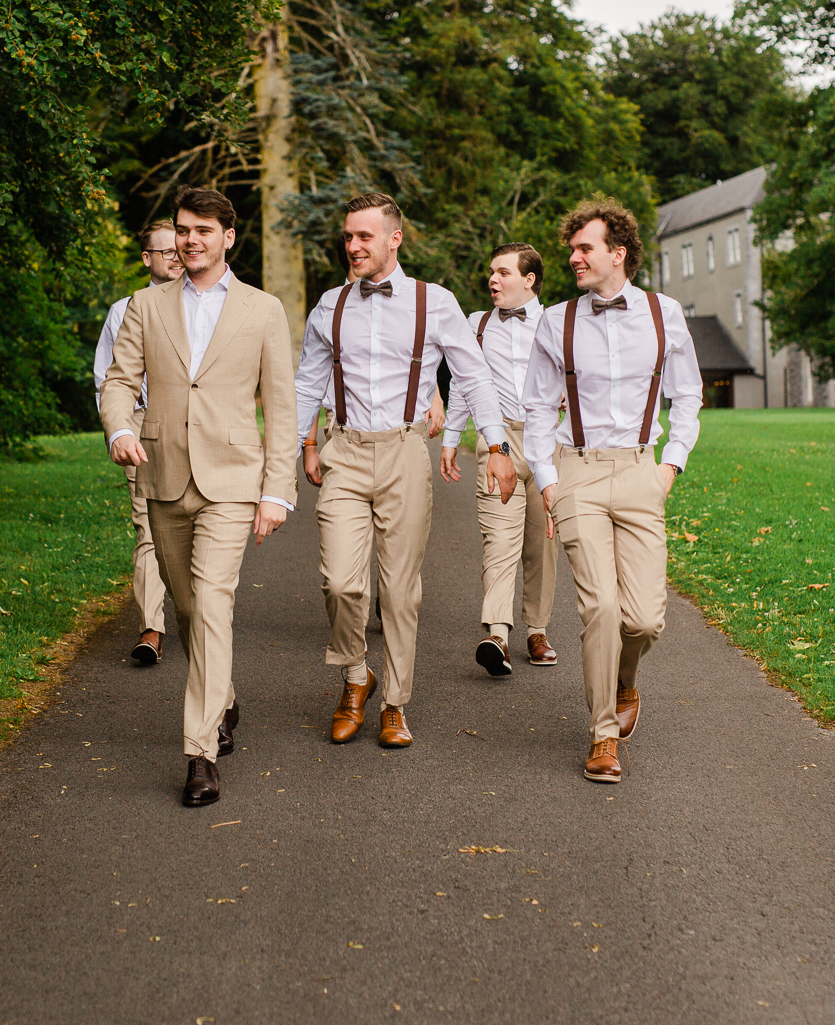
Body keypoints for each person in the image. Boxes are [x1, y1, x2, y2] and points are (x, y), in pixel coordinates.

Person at [99, 186, 297, 807]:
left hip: (234, 481)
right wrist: (122, 429)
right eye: (183, 230)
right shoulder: (144, 305)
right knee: (186, 611)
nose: (190, 240)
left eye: (203, 231)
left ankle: (199, 753)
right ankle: (226, 697)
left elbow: (283, 409)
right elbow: (119, 380)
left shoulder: (263, 311)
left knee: (212, 601)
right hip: (162, 475)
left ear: (228, 238)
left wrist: (277, 492)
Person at [295, 192, 513, 749]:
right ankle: (354, 675)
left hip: (406, 451)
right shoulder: (329, 305)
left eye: (364, 236)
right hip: (343, 449)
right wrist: (300, 445)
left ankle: (394, 701)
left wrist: (496, 444)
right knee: (342, 583)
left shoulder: (433, 303)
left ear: (395, 238)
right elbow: (306, 384)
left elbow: (474, 376)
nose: (353, 245)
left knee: (399, 591)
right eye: (348, 236)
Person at [524, 199, 701, 784]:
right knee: (598, 606)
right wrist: (548, 482)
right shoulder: (555, 321)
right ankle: (603, 735)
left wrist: (669, 467)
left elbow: (688, 396)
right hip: (576, 472)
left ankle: (627, 683)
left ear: (617, 253)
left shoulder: (664, 313)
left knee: (645, 619)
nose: (573, 258)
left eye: (585, 249)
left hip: (641, 471)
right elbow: (536, 408)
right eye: (572, 249)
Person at [440, 243, 559, 676]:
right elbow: (463, 383)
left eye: (504, 273)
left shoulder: (557, 323)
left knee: (541, 545)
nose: (493, 279)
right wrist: (452, 438)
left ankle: (537, 629)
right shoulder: (476, 325)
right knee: (499, 540)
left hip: (549, 441)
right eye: (491, 272)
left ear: (529, 280)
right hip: (499, 442)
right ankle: (497, 634)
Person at [92, 219, 181, 665]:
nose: (175, 256)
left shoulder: (206, 306)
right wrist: (118, 431)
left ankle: (195, 609)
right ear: (147, 258)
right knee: (147, 526)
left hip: (193, 427)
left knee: (188, 526)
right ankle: (152, 627)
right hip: (143, 425)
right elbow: (107, 379)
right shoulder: (123, 311)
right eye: (164, 251)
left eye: (178, 249)